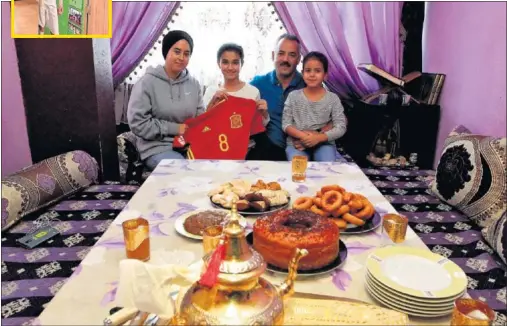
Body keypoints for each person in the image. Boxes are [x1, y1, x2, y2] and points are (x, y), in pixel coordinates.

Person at [127, 30, 205, 171]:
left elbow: (200, 119)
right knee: (182, 169)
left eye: (186, 54)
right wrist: (175, 129)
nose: (181, 57)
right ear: (166, 52)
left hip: (188, 145)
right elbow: (138, 123)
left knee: (214, 165)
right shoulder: (146, 83)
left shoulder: (194, 84)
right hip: (157, 147)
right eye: (177, 51)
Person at [282, 51, 347, 162]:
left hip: (324, 143)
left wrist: (318, 138)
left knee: (326, 169)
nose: (312, 74)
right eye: (308, 70)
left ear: (325, 75)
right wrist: (304, 137)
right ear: (302, 73)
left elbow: (341, 126)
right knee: (298, 170)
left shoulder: (333, 98)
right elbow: (286, 124)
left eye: (317, 71)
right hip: (297, 143)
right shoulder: (293, 96)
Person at [203, 43, 269, 151]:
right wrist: (212, 104)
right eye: (225, 62)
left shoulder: (252, 92)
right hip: (216, 148)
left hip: (247, 149)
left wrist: (264, 113)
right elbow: (202, 126)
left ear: (241, 64)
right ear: (218, 64)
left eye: (235, 63)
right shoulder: (211, 92)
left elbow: (259, 126)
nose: (230, 67)